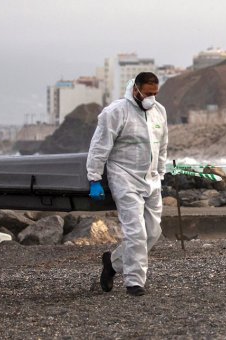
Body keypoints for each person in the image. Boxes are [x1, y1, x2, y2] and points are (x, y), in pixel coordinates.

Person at [87, 72, 168, 297]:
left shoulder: (159, 112)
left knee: (153, 232)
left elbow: (162, 146)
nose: (152, 98)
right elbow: (99, 146)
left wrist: (161, 173)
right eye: (148, 93)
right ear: (136, 90)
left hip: (151, 179)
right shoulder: (115, 112)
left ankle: (112, 264)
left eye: (156, 93)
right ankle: (134, 282)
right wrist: (94, 178)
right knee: (136, 233)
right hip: (124, 177)